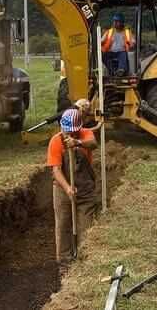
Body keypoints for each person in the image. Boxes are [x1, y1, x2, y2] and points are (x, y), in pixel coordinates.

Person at [46, 108, 98, 262]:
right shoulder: (56, 141)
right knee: (63, 226)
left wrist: (78, 143)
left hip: (85, 189)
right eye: (66, 131)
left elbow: (93, 144)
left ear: (78, 129)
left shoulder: (85, 134)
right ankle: (64, 261)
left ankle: (85, 260)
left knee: (86, 228)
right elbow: (56, 170)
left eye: (72, 132)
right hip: (62, 189)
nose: (68, 134)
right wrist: (68, 188)